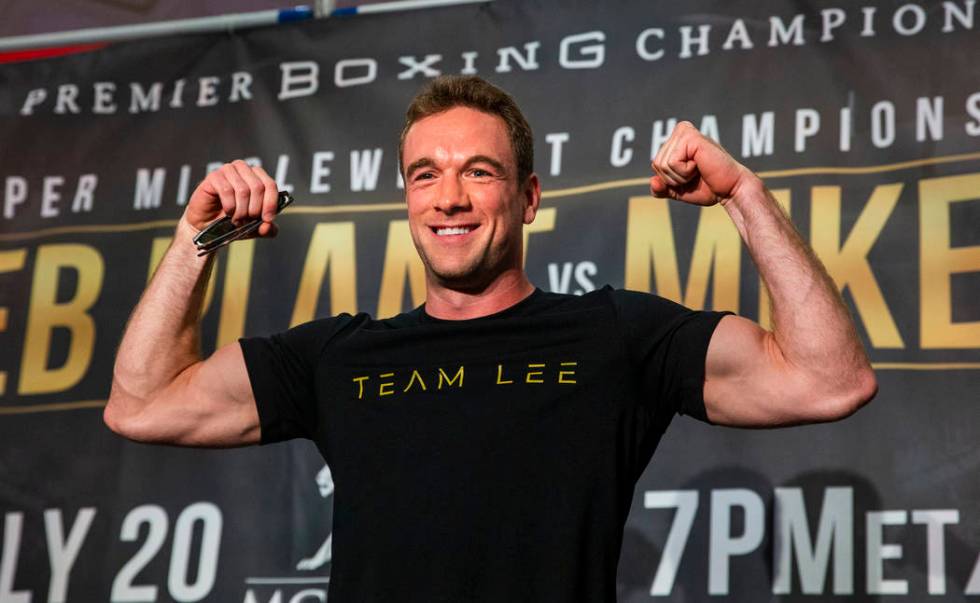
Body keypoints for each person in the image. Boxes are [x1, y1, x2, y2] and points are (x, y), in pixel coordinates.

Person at [105, 75, 876, 601]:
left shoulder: (615, 337)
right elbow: (141, 403)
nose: (449, 197)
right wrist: (196, 239)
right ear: (405, 197)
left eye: (479, 171)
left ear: (529, 196)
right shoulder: (341, 357)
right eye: (424, 175)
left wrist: (744, 196)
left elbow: (827, 378)